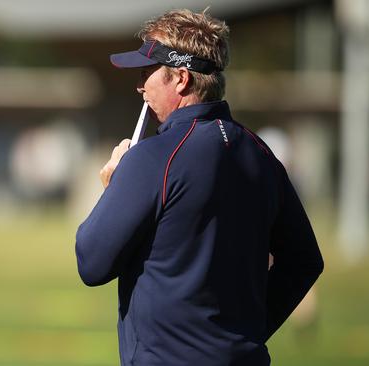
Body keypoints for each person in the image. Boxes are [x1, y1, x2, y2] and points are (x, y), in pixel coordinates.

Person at [75, 9, 323, 365]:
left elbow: (92, 263)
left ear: (180, 78)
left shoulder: (152, 158)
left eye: (147, 73)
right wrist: (246, 333)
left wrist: (114, 186)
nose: (140, 85)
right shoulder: (260, 154)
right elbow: (304, 261)